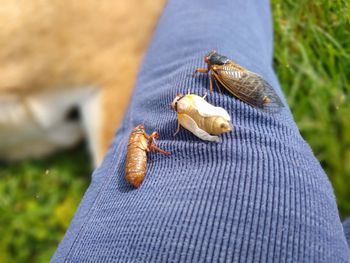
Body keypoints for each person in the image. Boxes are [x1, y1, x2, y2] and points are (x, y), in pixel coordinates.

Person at [52, 0, 350, 262]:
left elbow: (217, 83)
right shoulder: (212, 75)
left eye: (208, 62)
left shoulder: (214, 73)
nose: (207, 62)